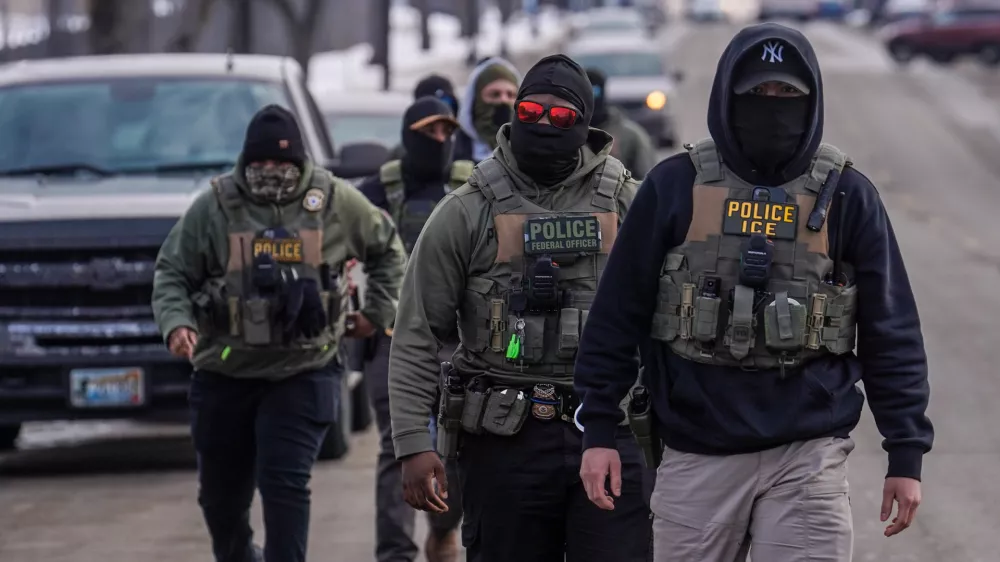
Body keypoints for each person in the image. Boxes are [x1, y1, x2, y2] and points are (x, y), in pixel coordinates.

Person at [575, 23, 933, 561]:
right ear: (728, 96)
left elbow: (891, 330)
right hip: (696, 452)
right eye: (758, 92)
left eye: (788, 93)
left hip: (808, 453)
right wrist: (599, 426)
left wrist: (905, 452)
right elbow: (616, 314)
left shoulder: (846, 197)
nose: (773, 105)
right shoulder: (675, 186)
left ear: (811, 100)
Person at [388, 54, 652, 562]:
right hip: (503, 439)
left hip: (607, 432)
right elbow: (419, 331)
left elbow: (665, 325)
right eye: (531, 111)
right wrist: (411, 443)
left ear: (584, 124)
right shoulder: (468, 209)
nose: (544, 124)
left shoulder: (627, 205)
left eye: (560, 116)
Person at [152, 104, 406, 562]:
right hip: (225, 371)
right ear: (246, 163)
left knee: (283, 481)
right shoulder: (215, 206)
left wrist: (374, 312)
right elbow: (172, 271)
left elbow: (388, 250)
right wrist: (177, 324)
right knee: (221, 501)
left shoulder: (332, 201)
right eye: (260, 163)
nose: (270, 172)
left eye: (281, 163)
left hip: (304, 369)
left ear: (299, 162)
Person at [356, 96, 474, 562]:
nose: (439, 142)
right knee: (397, 447)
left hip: (459, 340)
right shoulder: (375, 194)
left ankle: (444, 528)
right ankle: (395, 554)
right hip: (392, 340)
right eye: (428, 133)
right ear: (407, 136)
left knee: (459, 449)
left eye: (446, 132)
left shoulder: (471, 187)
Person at [585, 68, 658, 180]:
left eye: (595, 91)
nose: (590, 97)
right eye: (584, 92)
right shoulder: (566, 135)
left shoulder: (631, 136)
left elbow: (648, 180)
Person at [455, 56, 520, 163]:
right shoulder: (452, 151)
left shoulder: (530, 154)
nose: (503, 100)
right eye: (495, 94)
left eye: (510, 95)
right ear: (475, 100)